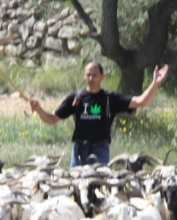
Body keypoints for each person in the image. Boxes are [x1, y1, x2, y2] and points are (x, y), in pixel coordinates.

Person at [29, 61, 169, 167]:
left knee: (100, 187)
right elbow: (53, 119)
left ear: (102, 76)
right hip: (79, 151)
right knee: (76, 187)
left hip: (100, 150)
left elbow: (141, 101)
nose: (91, 78)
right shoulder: (76, 98)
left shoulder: (110, 98)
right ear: (84, 76)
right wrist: (39, 110)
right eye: (88, 75)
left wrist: (155, 83)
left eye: (95, 75)